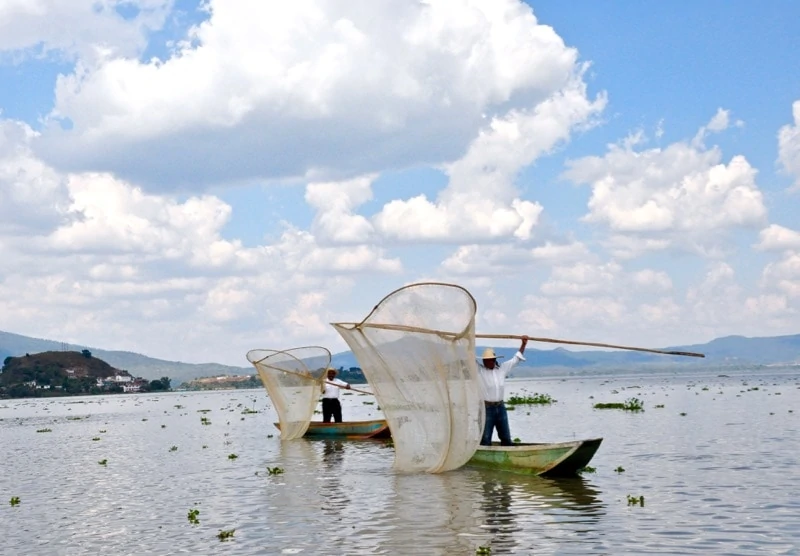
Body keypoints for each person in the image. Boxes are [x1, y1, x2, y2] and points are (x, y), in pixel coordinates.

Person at [477, 336, 528, 446]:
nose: (485, 362)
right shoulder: (480, 370)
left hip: (500, 407)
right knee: (485, 438)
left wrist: (523, 344)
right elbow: (467, 357)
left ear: (494, 360)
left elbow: (516, 359)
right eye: (484, 360)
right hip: (486, 409)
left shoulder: (502, 369)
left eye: (488, 360)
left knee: (506, 437)